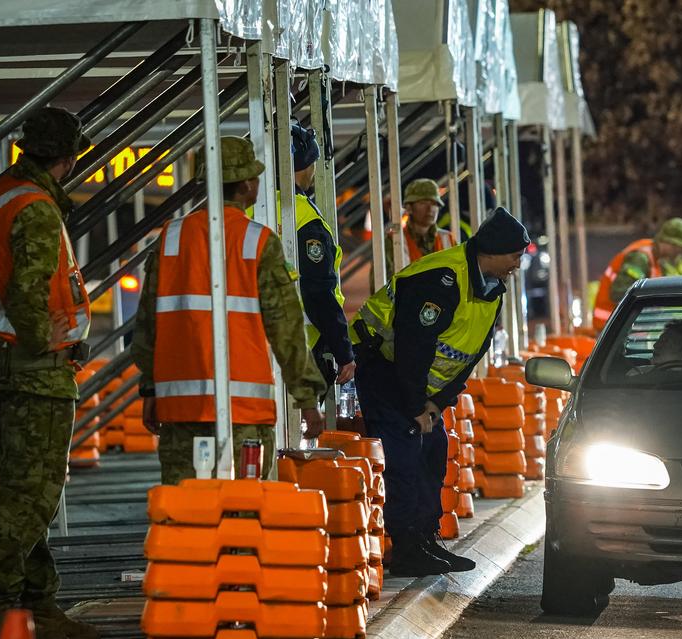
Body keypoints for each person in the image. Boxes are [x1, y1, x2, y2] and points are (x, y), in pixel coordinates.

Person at [0, 107, 98, 639]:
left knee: (27, 487)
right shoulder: (36, 207)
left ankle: (37, 605)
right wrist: (49, 348)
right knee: (32, 492)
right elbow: (28, 295)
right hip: (32, 368)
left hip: (5, 361)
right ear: (67, 158)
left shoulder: (2, 193)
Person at [131, 136, 326, 485]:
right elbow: (287, 330)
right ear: (249, 184)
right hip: (244, 415)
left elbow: (147, 327)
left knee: (186, 515)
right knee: (244, 514)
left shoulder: (170, 239)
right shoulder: (258, 242)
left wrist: (150, 391)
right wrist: (307, 399)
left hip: (181, 410)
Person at [349, 208, 528, 577]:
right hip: (384, 370)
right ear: (493, 251)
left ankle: (425, 538)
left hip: (421, 389)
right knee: (403, 456)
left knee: (434, 450)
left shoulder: (491, 291)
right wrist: (417, 406)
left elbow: (469, 355)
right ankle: (406, 545)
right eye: (515, 256)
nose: (517, 265)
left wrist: (437, 403)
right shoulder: (441, 279)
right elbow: (414, 347)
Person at [286, 123, 354, 387]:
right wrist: (343, 351)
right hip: (301, 343)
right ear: (307, 165)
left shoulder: (250, 208)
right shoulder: (305, 218)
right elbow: (318, 292)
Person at [591, 217, 682, 330]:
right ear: (669, 242)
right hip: (611, 327)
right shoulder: (639, 258)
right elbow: (620, 293)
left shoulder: (654, 261)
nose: (680, 254)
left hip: (620, 327)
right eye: (680, 248)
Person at [396, 178, 452, 263]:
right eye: (423, 203)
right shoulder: (394, 241)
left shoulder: (448, 239)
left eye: (434, 204)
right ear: (409, 208)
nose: (430, 209)